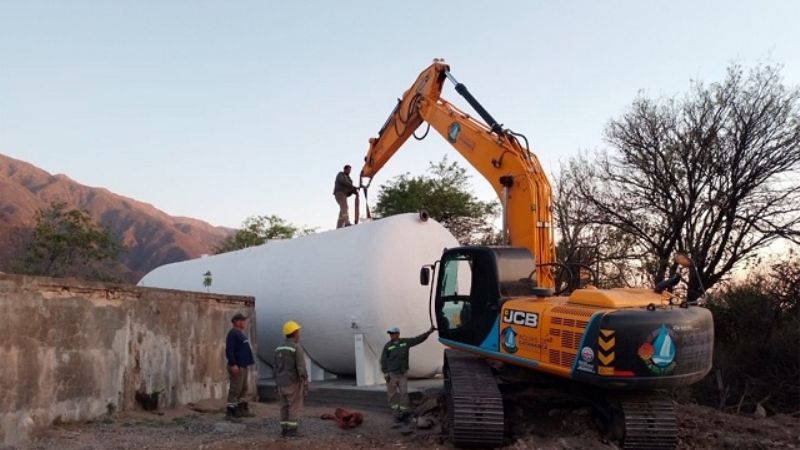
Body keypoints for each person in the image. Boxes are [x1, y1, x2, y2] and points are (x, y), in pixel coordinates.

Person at [380, 326, 436, 421]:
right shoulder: (388, 346)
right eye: (390, 334)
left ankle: (404, 412)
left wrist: (429, 332)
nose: (391, 336)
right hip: (391, 374)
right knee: (392, 395)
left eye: (393, 334)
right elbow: (383, 360)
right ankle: (396, 413)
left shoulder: (405, 342)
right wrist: (385, 372)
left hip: (402, 373)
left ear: (398, 334)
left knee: (404, 393)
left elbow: (418, 339)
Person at [274, 320, 309, 437]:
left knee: (284, 406)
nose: (299, 334)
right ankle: (292, 430)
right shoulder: (296, 348)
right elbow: (301, 367)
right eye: (298, 332)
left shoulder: (278, 348)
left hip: (280, 383)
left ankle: (283, 429)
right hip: (292, 382)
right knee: (294, 405)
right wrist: (304, 381)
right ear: (294, 333)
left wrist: (277, 381)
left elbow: (275, 367)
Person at [225, 313, 255, 419]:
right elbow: (229, 350)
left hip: (243, 366)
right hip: (237, 366)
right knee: (235, 389)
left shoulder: (240, 334)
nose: (244, 323)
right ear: (236, 322)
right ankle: (231, 411)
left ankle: (242, 409)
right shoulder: (233, 334)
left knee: (243, 389)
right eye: (242, 320)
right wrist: (233, 364)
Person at [333, 164, 357, 228]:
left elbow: (348, 191)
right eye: (348, 169)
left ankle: (339, 226)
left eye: (350, 170)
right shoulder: (341, 174)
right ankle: (347, 223)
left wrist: (353, 191)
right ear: (345, 169)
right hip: (339, 193)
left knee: (343, 208)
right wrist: (352, 187)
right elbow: (342, 181)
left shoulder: (349, 179)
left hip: (344, 194)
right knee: (344, 207)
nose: (349, 171)